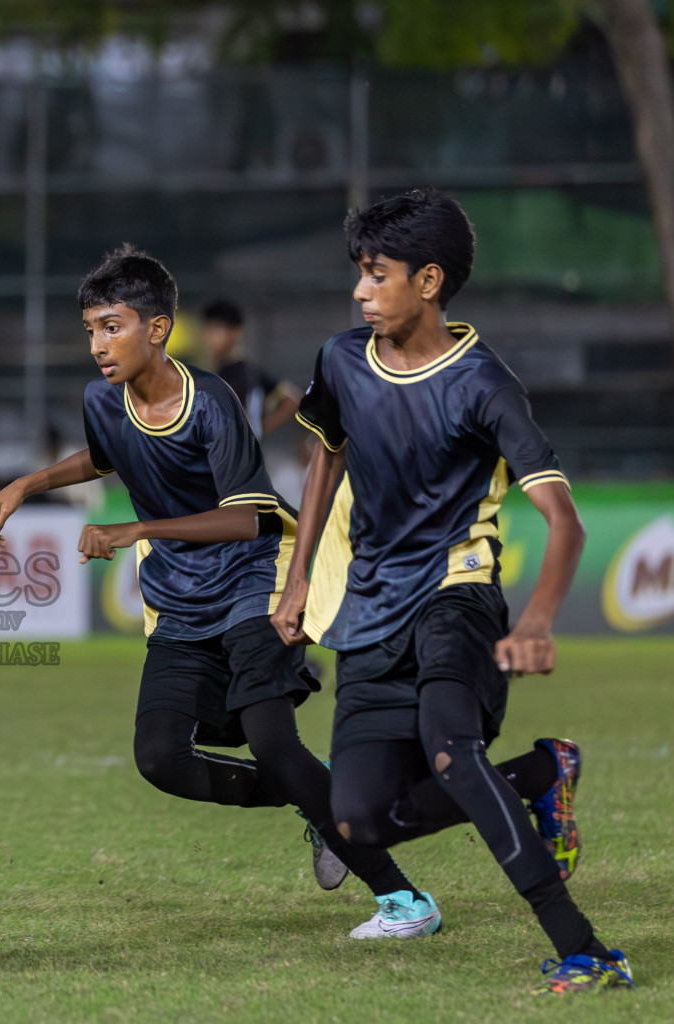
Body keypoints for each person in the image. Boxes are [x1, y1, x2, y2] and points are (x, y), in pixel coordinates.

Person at [0, 245, 442, 940]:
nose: (98, 345)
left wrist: (136, 527)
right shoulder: (100, 400)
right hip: (178, 599)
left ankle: (405, 900)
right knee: (159, 759)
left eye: (113, 326)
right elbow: (106, 455)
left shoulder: (213, 403)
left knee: (273, 745)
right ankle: (318, 805)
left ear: (158, 329)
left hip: (253, 579)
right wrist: (26, 483)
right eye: (90, 330)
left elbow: (248, 516)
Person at [271, 189, 630, 995]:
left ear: (428, 280)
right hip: (368, 610)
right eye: (359, 275)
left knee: (452, 754)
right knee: (359, 818)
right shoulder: (339, 360)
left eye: (376, 275)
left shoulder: (484, 384)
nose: (361, 292)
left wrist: (536, 620)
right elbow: (325, 456)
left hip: (455, 598)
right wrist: (296, 585)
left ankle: (587, 950)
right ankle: (542, 775)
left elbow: (562, 519)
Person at [200, 299, 299, 438]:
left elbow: (292, 400)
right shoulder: (251, 371)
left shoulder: (230, 377)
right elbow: (292, 399)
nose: (209, 338)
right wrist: (258, 431)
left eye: (216, 329)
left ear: (236, 332)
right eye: (208, 330)